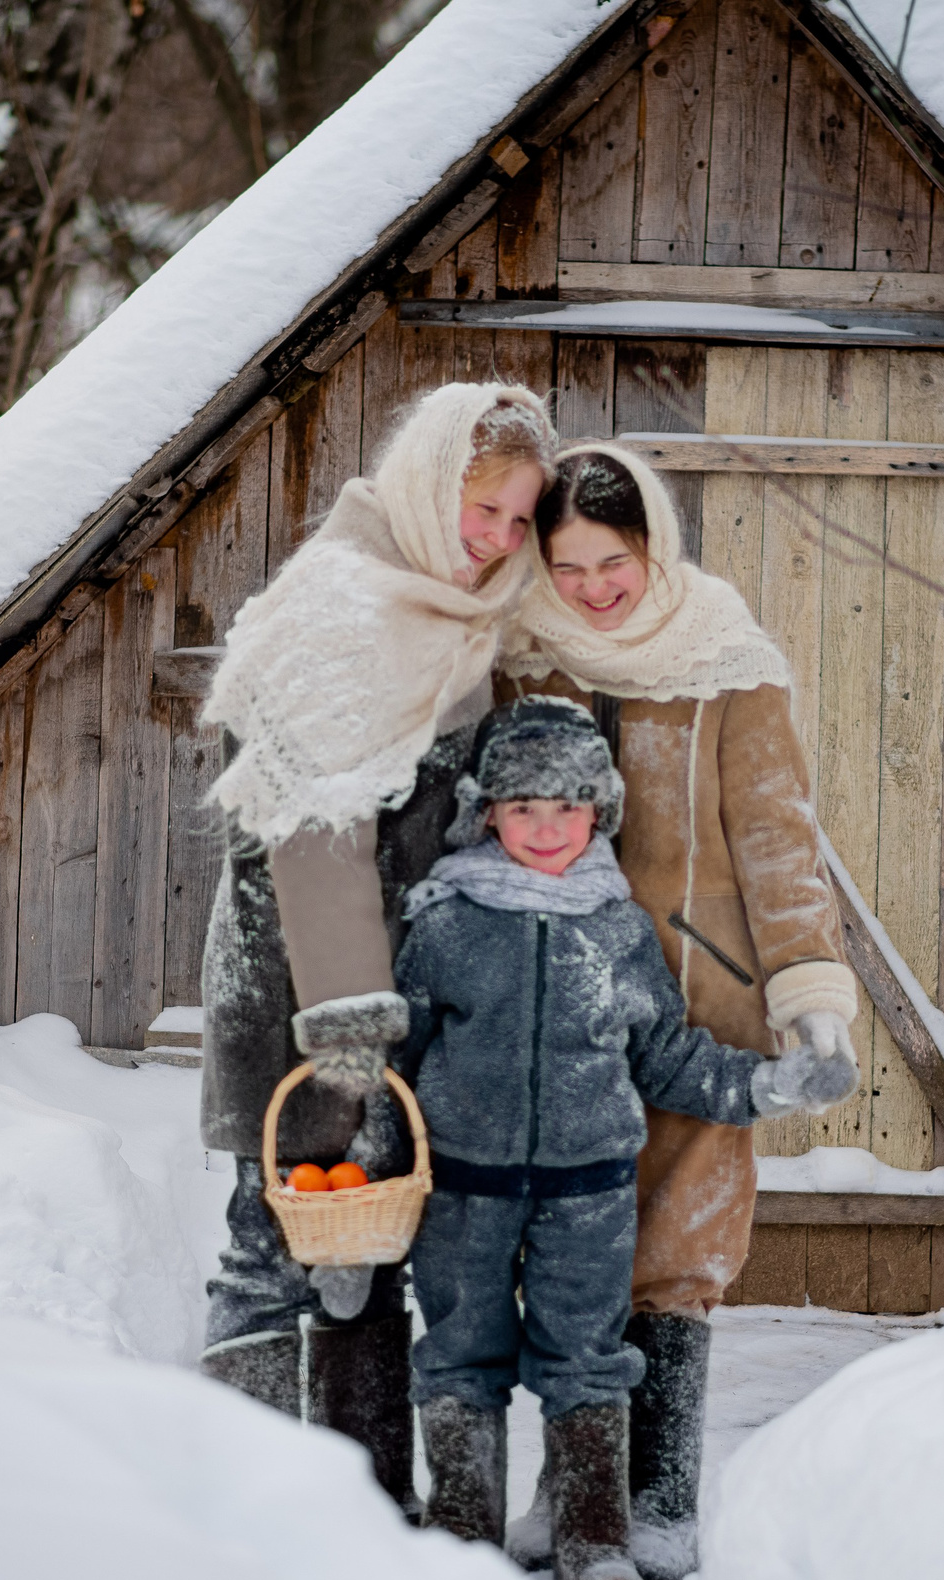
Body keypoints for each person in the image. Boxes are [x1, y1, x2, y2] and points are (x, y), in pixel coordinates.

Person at [392, 698, 851, 1580]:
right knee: (458, 1351)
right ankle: (462, 1532)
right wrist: (373, 1144)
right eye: (525, 808)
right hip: (465, 1192)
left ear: (599, 812)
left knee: (587, 1354)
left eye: (569, 808)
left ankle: (593, 1538)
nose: (548, 828)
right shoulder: (444, 923)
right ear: (488, 812)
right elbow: (402, 1053)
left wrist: (766, 1086)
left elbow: (666, 1055)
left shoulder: (616, 927)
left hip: (590, 1194)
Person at [496, 443, 860, 1580]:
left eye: (614, 560)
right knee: (563, 1244)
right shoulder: (520, 658)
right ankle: (574, 1480)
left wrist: (808, 990)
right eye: (568, 564)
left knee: (681, 1248)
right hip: (561, 1000)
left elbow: (775, 833)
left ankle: (659, 1496)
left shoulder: (724, 660)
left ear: (652, 542)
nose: (594, 586)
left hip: (701, 996)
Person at [194, 382, 558, 1512]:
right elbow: (319, 834)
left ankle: (356, 1506)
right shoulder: (340, 606)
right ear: (426, 481)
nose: (497, 541)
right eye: (482, 509)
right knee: (280, 1233)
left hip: (396, 996)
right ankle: (238, 1500)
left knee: (370, 1244)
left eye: (517, 520)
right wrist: (348, 1027)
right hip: (304, 987)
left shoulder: (456, 610)